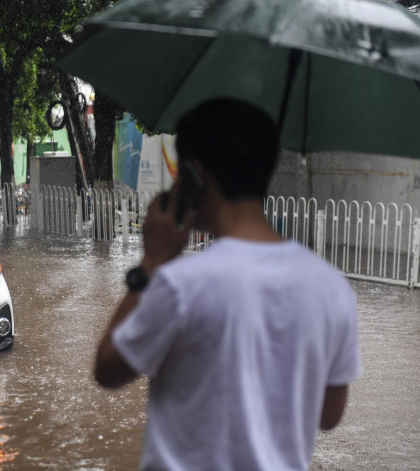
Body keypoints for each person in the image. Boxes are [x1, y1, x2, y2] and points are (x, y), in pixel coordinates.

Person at [95, 98, 362, 470]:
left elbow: (107, 370)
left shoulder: (180, 284)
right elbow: (329, 415)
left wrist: (152, 262)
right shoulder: (333, 289)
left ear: (194, 174)